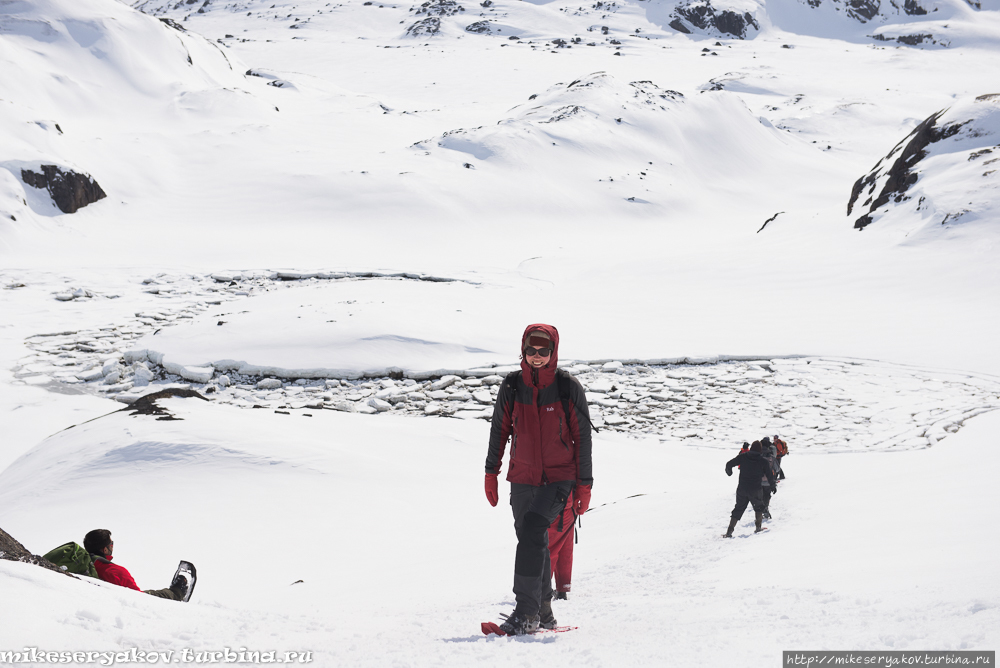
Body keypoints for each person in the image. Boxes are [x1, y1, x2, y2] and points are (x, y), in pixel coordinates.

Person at [485, 324, 593, 635]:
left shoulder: (566, 387)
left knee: (533, 530)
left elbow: (582, 439)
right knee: (533, 541)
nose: (536, 356)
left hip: (560, 478)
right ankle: (544, 611)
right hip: (522, 477)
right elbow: (499, 431)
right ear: (523, 350)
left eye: (543, 351)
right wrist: (491, 472)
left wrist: (584, 485)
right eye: (530, 350)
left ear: (553, 351)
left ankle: (525, 614)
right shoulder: (512, 386)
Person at [83, 529, 190, 601]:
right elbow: (138, 600)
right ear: (105, 549)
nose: (112, 546)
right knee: (157, 594)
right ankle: (177, 593)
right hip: (124, 601)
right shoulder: (115, 571)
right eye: (111, 544)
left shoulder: (81, 566)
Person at [723, 441, 775, 537]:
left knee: (738, 508)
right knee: (758, 507)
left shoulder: (743, 457)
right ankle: (758, 528)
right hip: (755, 489)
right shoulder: (763, 461)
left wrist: (729, 472)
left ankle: (729, 532)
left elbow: (729, 464)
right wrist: (772, 486)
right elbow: (769, 474)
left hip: (742, 488)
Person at [548, 487, 576, 600]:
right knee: (565, 549)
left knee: (549, 550)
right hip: (570, 505)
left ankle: (542, 590)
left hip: (552, 504)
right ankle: (562, 589)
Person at [760, 437, 779, 520]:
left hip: (758, 481)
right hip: (769, 481)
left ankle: (760, 512)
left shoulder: (757, 456)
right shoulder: (771, 457)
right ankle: (765, 509)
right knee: (767, 495)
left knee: (759, 496)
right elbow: (777, 468)